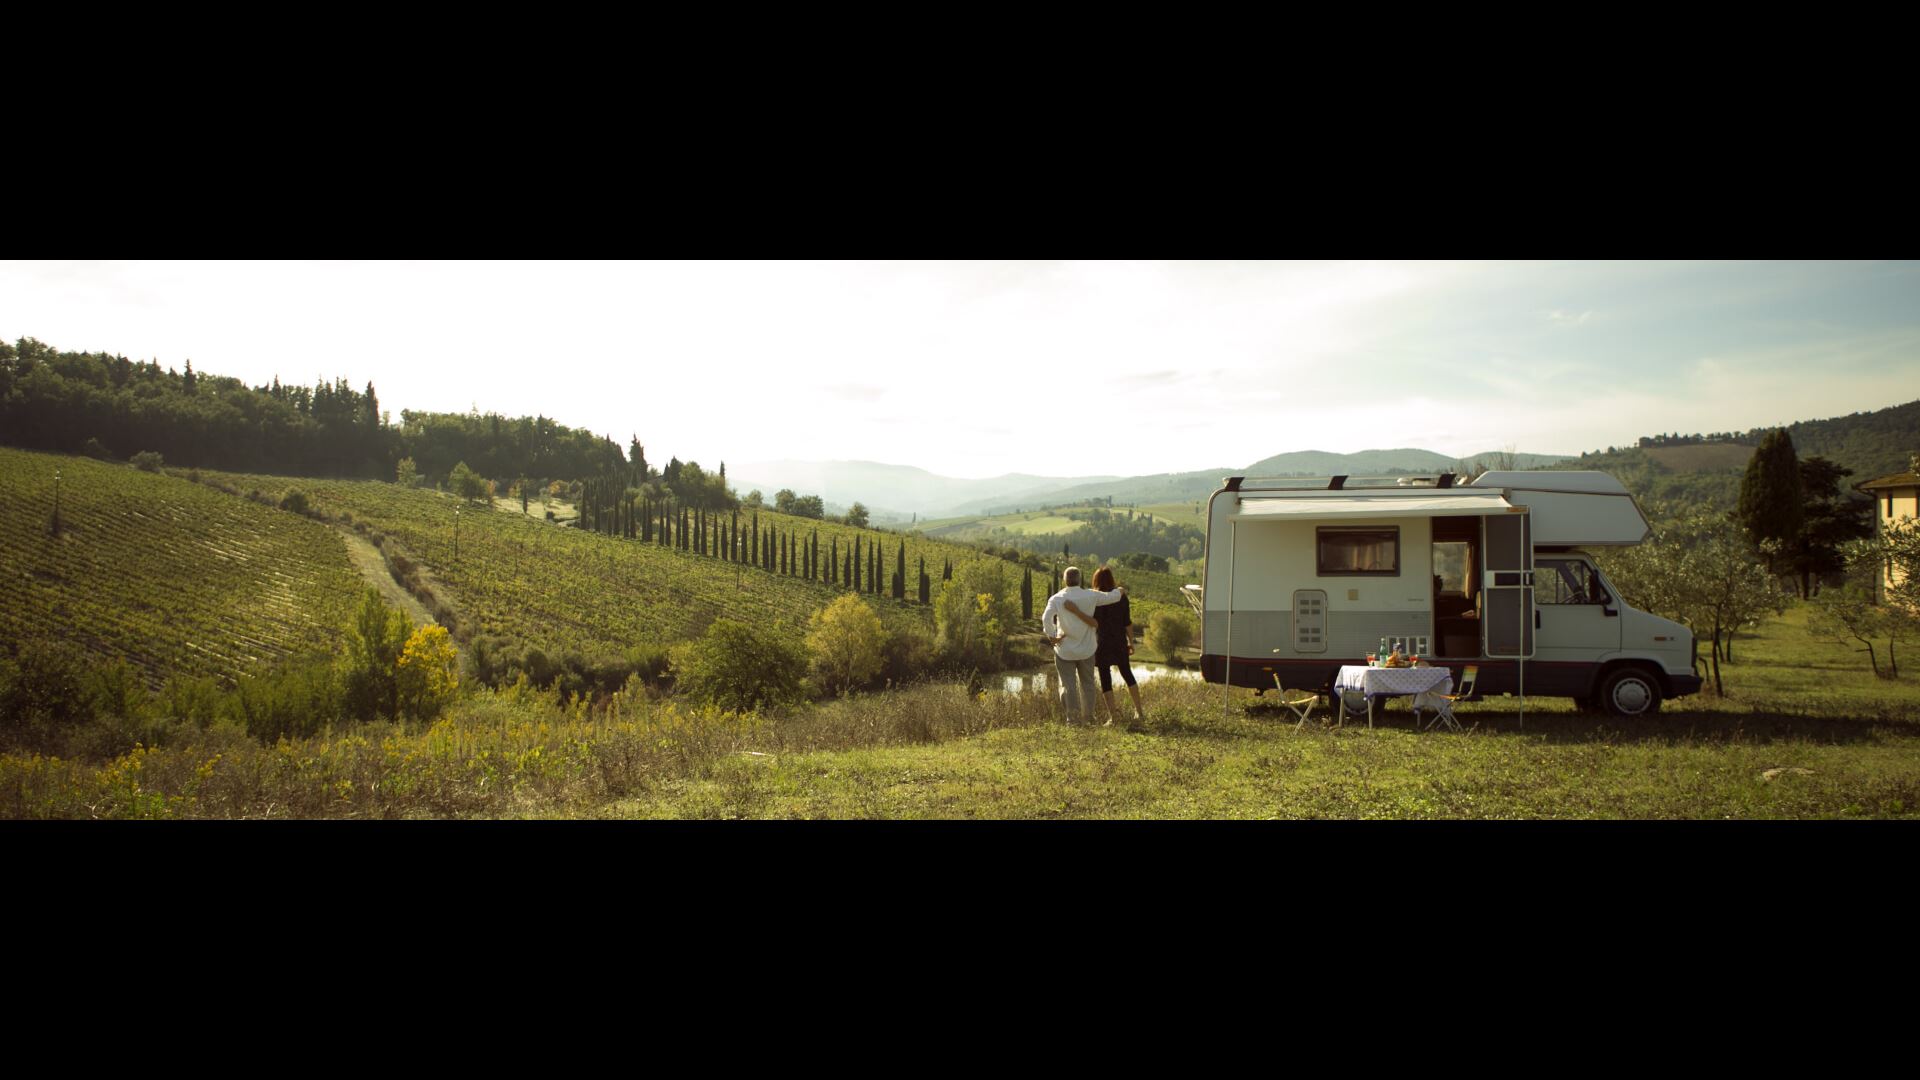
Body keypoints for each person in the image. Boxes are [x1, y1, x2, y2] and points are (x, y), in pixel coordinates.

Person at [1038, 566, 1127, 724]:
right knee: (1088, 685)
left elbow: (1046, 618)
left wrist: (1052, 637)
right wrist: (1120, 590)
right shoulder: (1090, 595)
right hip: (1087, 650)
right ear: (1079, 579)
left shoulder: (1057, 598)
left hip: (1065, 651)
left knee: (1068, 686)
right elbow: (1112, 597)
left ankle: (1073, 720)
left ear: (1065, 580)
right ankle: (1089, 718)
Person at [1067, 566, 1145, 730]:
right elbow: (1127, 622)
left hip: (1101, 643)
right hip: (1119, 642)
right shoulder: (1121, 597)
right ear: (1111, 579)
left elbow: (1090, 622)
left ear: (1096, 580)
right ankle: (1139, 712)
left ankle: (1113, 717)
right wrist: (1131, 642)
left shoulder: (1094, 598)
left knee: (1105, 679)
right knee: (1127, 674)